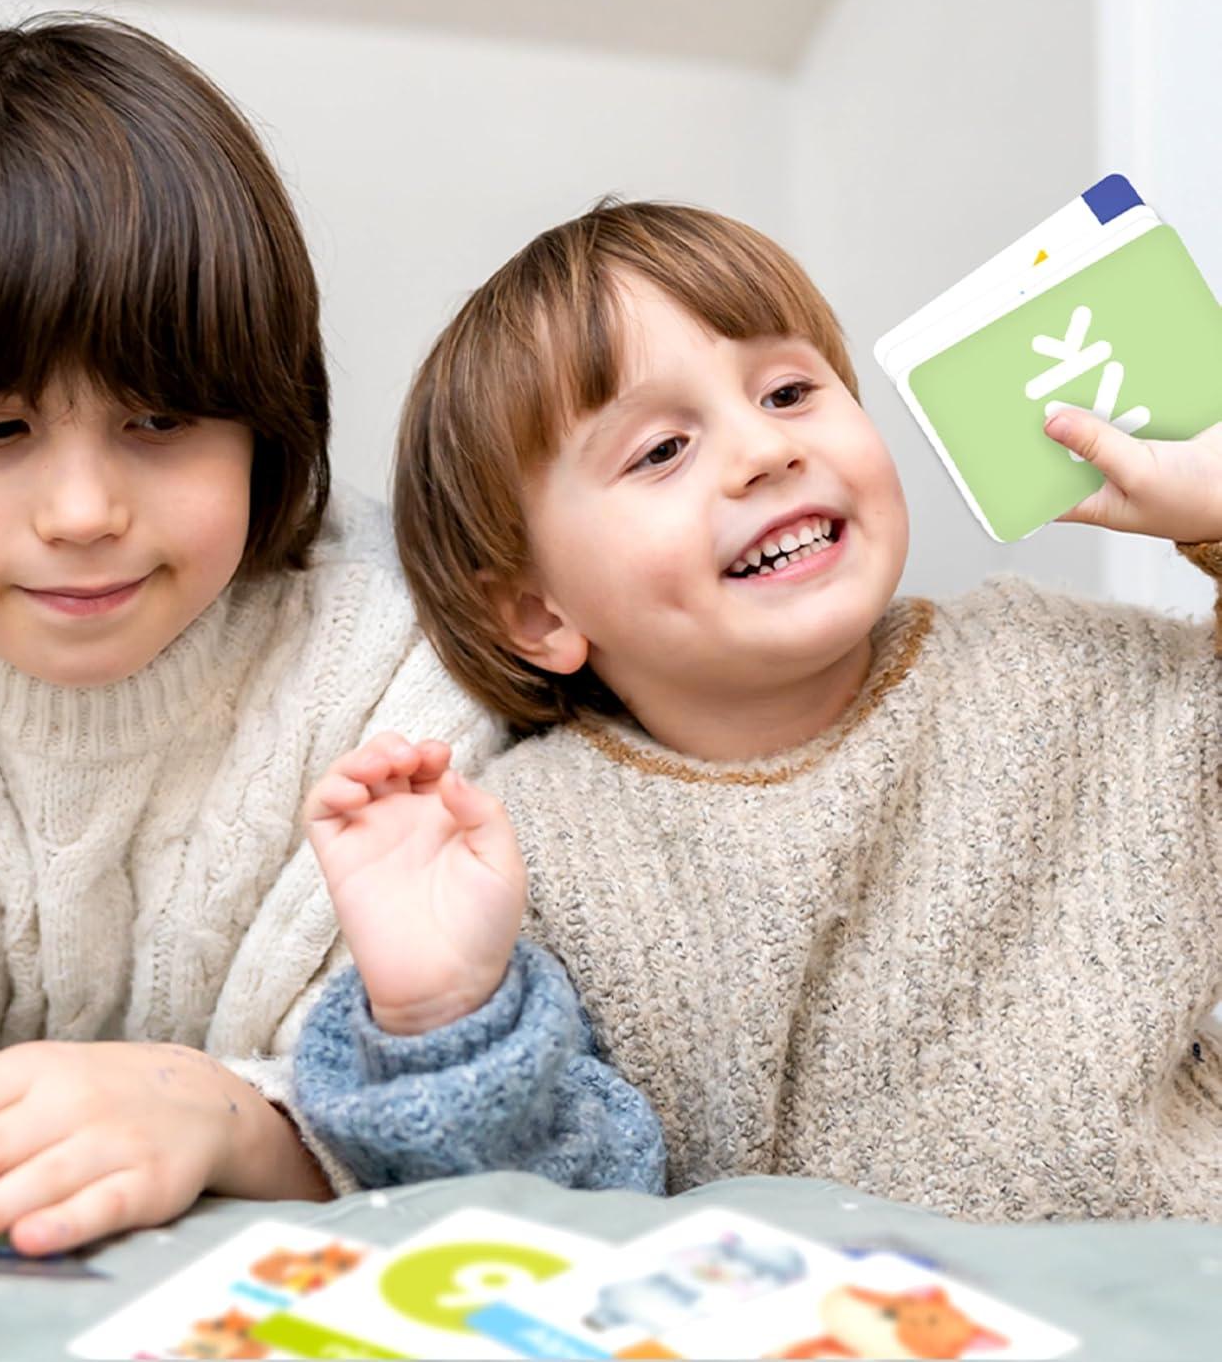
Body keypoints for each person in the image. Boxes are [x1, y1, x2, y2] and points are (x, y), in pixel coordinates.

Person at [0, 14, 506, 1258]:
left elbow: (480, 1111)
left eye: (159, 420)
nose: (84, 513)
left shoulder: (396, 653)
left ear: (268, 414)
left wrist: (228, 1116)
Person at [296, 198, 1222, 1222]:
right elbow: (547, 1221)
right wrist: (444, 1011)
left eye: (788, 392)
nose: (762, 451)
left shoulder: (1055, 669)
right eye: (660, 451)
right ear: (536, 611)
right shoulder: (528, 852)